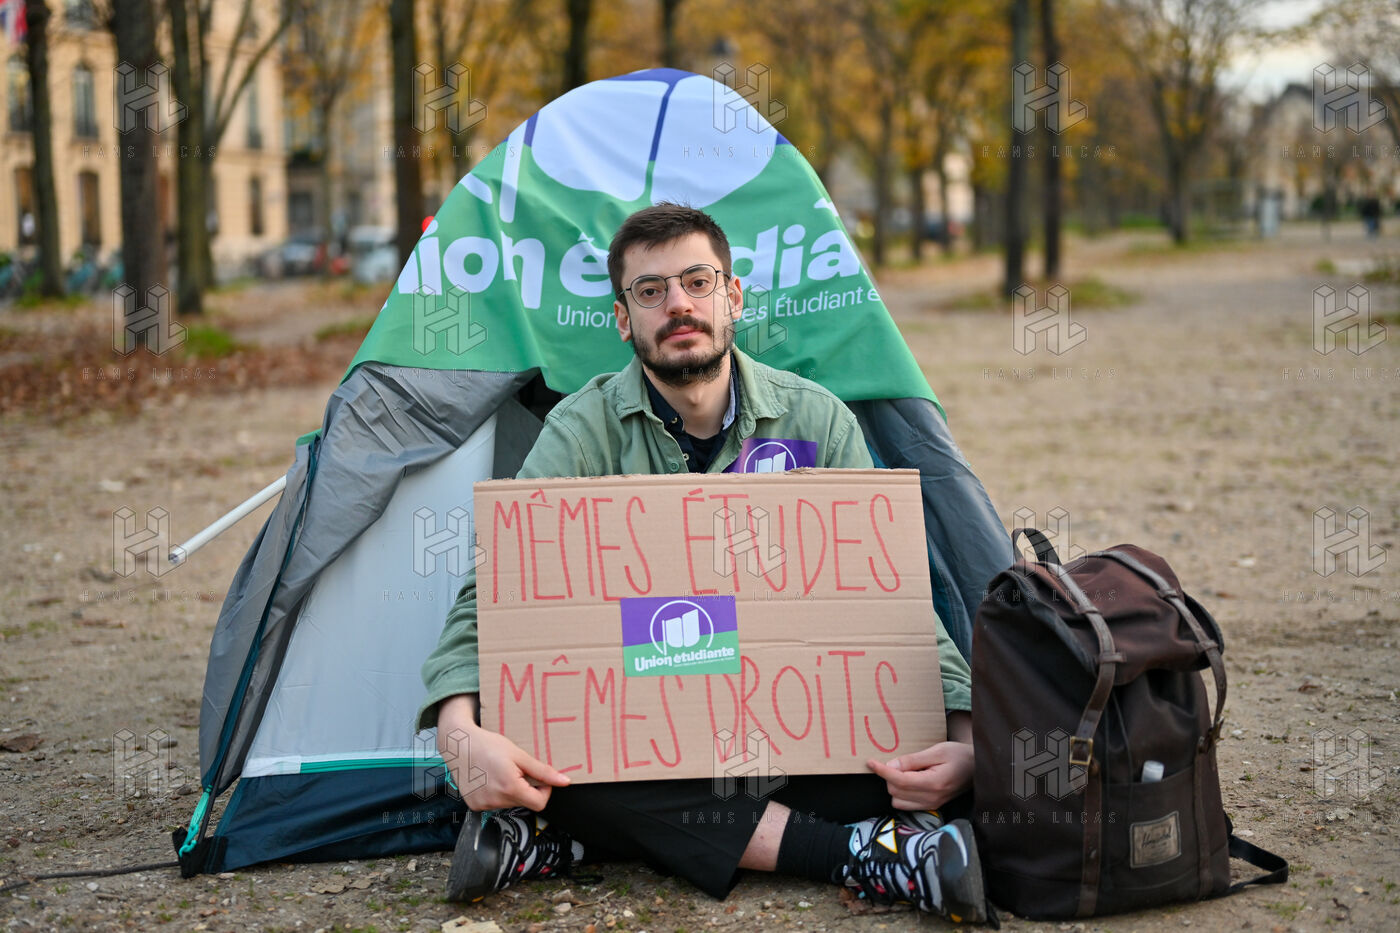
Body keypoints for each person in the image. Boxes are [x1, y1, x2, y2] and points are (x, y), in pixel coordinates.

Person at [417, 203, 988, 922]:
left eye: (697, 281)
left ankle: (558, 839)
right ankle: (862, 852)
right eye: (650, 291)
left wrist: (966, 743)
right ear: (623, 319)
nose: (678, 304)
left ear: (733, 297)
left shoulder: (818, 420)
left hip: (787, 734)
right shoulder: (581, 432)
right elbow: (495, 592)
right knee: (556, 759)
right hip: (643, 734)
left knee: (892, 770)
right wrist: (460, 736)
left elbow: (895, 600)